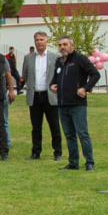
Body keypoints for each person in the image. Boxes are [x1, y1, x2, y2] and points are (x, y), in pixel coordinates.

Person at [54, 35, 99, 170]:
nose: (62, 47)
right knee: (69, 135)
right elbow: (54, 79)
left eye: (65, 44)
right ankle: (73, 162)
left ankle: (89, 162)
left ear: (72, 46)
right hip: (62, 104)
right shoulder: (59, 61)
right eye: (60, 45)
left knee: (82, 134)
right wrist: (52, 85)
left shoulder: (80, 59)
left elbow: (95, 74)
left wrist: (85, 88)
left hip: (77, 105)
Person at [21, 31, 62, 159]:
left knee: (54, 126)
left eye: (42, 39)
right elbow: (25, 75)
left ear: (46, 41)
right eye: (37, 40)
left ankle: (57, 152)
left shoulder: (55, 57)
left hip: (49, 96)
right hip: (35, 97)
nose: (39, 42)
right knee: (36, 127)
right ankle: (36, 152)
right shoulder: (28, 58)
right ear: (34, 42)